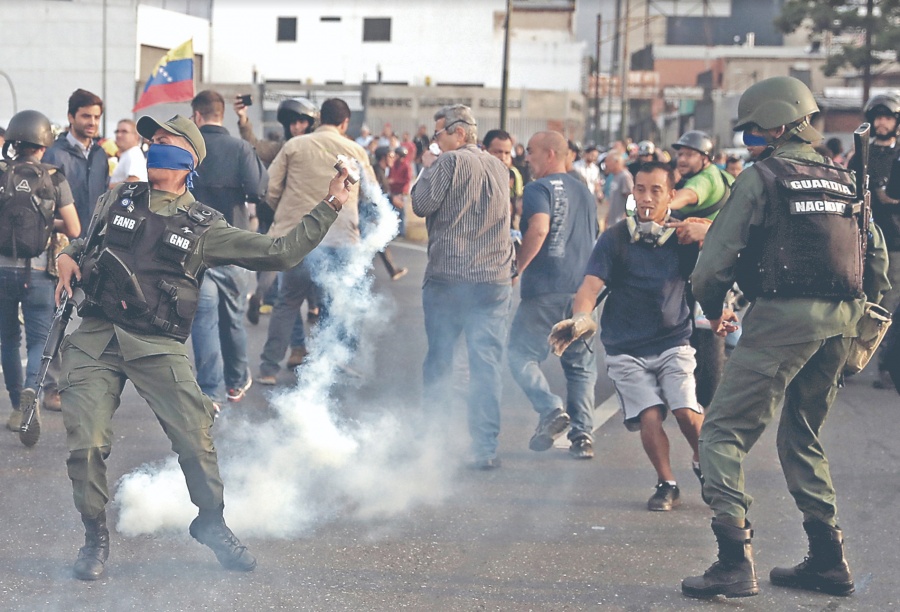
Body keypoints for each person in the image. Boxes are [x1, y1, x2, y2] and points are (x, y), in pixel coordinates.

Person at [53, 114, 350, 580]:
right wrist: (67, 254)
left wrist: (331, 202)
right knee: (86, 445)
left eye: (166, 139)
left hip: (156, 345)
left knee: (195, 442)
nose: (155, 144)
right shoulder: (118, 197)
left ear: (188, 156)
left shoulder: (206, 226)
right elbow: (86, 241)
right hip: (96, 337)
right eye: (153, 139)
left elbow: (281, 252)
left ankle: (211, 522)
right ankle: (95, 536)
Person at [681, 76, 890, 599]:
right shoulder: (844, 179)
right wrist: (863, 321)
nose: (752, 139)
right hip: (842, 323)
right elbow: (878, 264)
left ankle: (733, 562)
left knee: (722, 434)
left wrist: (711, 313)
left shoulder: (762, 178)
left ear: (776, 125)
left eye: (754, 130)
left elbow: (712, 266)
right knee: (802, 435)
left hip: (780, 322)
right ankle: (828, 559)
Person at [551, 161, 705, 508]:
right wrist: (580, 318)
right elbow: (589, 287)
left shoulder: (685, 237)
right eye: (640, 189)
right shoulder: (615, 237)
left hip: (673, 340)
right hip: (625, 347)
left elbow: (732, 251)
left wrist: (705, 232)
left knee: (685, 411)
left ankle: (703, 461)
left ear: (671, 195)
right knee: (650, 414)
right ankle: (667, 483)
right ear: (632, 192)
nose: (647, 198)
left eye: (656, 190)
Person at [411, 104, 514, 470]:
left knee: (440, 360)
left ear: (457, 132)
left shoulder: (448, 163)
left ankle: (433, 443)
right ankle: (484, 447)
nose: (435, 142)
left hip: (451, 278)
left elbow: (421, 204)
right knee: (485, 364)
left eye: (438, 135)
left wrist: (426, 167)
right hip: (494, 279)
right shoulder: (500, 167)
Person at [258, 98, 375, 385]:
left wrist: (284, 217)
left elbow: (269, 188)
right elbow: (372, 195)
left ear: (319, 118)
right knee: (337, 305)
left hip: (297, 238)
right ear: (345, 123)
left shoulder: (294, 145)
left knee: (287, 303)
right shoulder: (356, 151)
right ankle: (331, 367)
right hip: (341, 240)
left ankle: (269, 369)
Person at [508, 131, 598, 459]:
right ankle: (583, 437)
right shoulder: (585, 193)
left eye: (530, 152)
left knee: (519, 354)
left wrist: (517, 267)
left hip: (545, 289)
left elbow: (541, 228)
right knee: (580, 365)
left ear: (549, 154)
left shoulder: (537, 189)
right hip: (582, 292)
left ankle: (549, 409)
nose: (526, 158)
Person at [1, 110, 81, 432]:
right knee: (38, 342)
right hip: (37, 274)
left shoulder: (1, 173)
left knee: (7, 340)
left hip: (1, 271)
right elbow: (74, 228)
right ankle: (32, 398)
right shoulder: (54, 177)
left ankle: (14, 401)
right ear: (44, 144)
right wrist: (48, 221)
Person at [189, 90, 268, 404]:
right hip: (234, 245)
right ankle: (236, 382)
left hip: (195, 247)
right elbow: (259, 191)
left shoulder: (189, 149)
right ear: (221, 114)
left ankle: (208, 391)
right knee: (232, 318)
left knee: (204, 318)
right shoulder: (240, 148)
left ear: (197, 116)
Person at [235, 97, 319, 326]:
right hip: (286, 218)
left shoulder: (323, 149)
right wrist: (243, 118)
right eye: (293, 123)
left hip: (318, 221)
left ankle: (314, 306)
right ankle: (262, 297)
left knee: (314, 271)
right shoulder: (284, 148)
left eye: (302, 122)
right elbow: (255, 145)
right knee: (283, 276)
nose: (296, 127)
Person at [852, 93, 900, 390]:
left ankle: (885, 361)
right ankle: (851, 357)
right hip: (864, 238)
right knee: (860, 297)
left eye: (888, 118)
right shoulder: (861, 154)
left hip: (894, 241)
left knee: (889, 300)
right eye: (877, 118)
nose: (882, 123)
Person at [43, 89, 109, 235]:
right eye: (86, 116)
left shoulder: (100, 155)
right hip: (62, 244)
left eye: (97, 117)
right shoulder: (53, 155)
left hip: (92, 242)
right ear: (71, 117)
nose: (93, 122)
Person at [669, 130, 734, 221]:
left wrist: (659, 206)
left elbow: (688, 195)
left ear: (705, 158)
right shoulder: (723, 175)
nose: (681, 160)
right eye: (680, 154)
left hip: (705, 234)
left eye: (689, 155)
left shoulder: (704, 179)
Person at [369, 145, 407, 280]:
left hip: (374, 213)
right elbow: (374, 193)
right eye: (391, 156)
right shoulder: (376, 172)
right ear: (383, 157)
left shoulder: (381, 171)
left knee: (379, 242)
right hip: (369, 214)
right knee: (370, 243)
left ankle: (392, 270)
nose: (393, 158)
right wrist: (392, 198)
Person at [483, 129, 524, 228]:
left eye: (507, 153)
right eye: (497, 152)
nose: (503, 157)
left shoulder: (512, 173)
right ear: (484, 150)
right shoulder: (475, 175)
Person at [109, 119, 147, 187]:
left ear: (136, 137)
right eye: (117, 131)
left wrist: (108, 187)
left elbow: (133, 181)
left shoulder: (133, 154)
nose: (119, 135)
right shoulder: (129, 153)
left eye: (124, 132)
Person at [602, 150, 633, 228]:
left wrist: (626, 217)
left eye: (608, 161)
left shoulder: (625, 176)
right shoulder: (615, 176)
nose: (606, 165)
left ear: (616, 162)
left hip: (620, 223)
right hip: (612, 223)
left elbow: (630, 198)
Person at [388, 145, 412, 237]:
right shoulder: (394, 164)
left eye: (397, 154)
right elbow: (390, 175)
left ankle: (402, 232)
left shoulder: (406, 166)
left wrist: (404, 192)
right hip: (393, 191)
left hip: (401, 191)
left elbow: (407, 180)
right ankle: (394, 230)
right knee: (392, 211)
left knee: (401, 213)